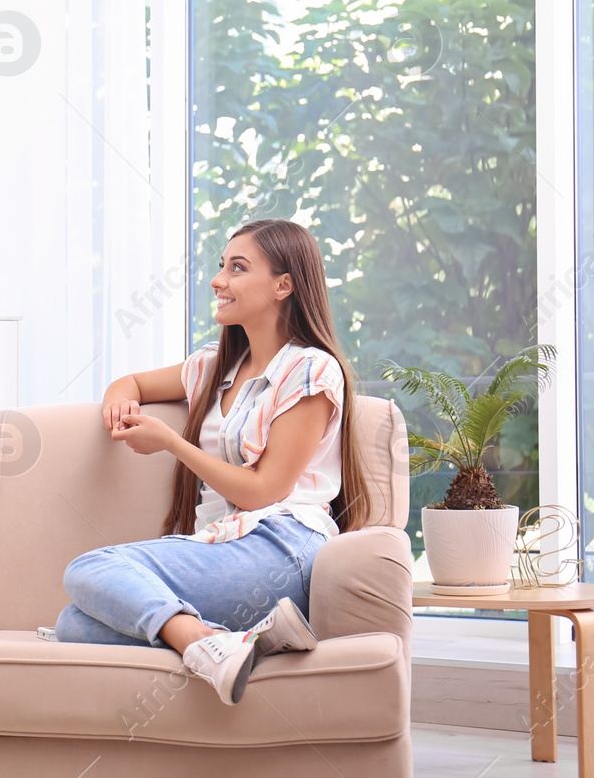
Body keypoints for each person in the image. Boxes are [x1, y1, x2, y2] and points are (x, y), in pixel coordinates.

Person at [44, 218, 374, 706]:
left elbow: (262, 491)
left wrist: (172, 443)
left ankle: (203, 643)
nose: (218, 280)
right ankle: (240, 642)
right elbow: (131, 382)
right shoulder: (212, 367)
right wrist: (119, 400)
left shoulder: (310, 369)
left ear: (284, 285)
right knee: (73, 624)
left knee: (89, 568)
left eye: (237, 268)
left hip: (281, 549)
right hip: (224, 553)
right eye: (221, 266)